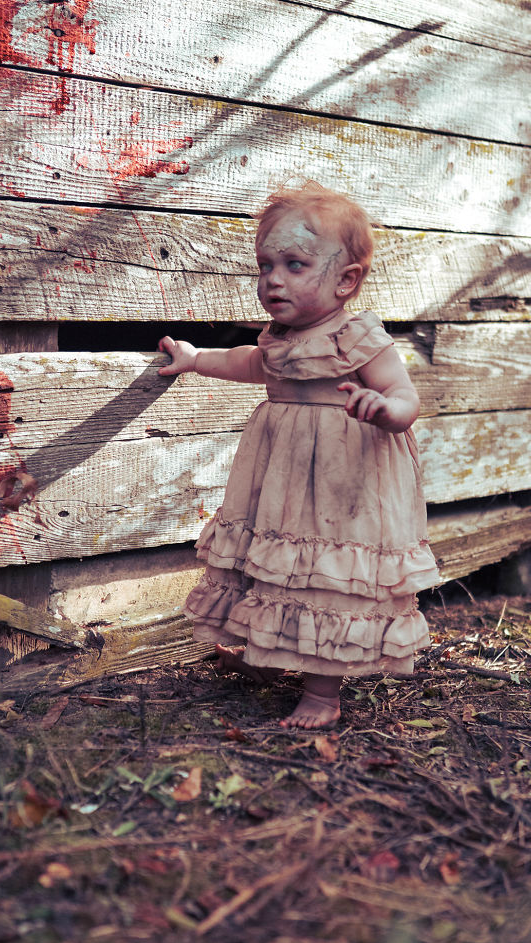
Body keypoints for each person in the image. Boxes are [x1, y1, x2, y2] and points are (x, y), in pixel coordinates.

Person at [158, 181, 439, 728]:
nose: (273, 280)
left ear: (345, 280)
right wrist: (195, 359)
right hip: (283, 476)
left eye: (294, 264)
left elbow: (406, 397)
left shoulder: (356, 338)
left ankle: (322, 692)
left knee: (322, 573)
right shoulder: (281, 336)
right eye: (265, 266)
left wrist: (385, 408)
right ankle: (269, 653)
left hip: (342, 478)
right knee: (273, 563)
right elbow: (249, 364)